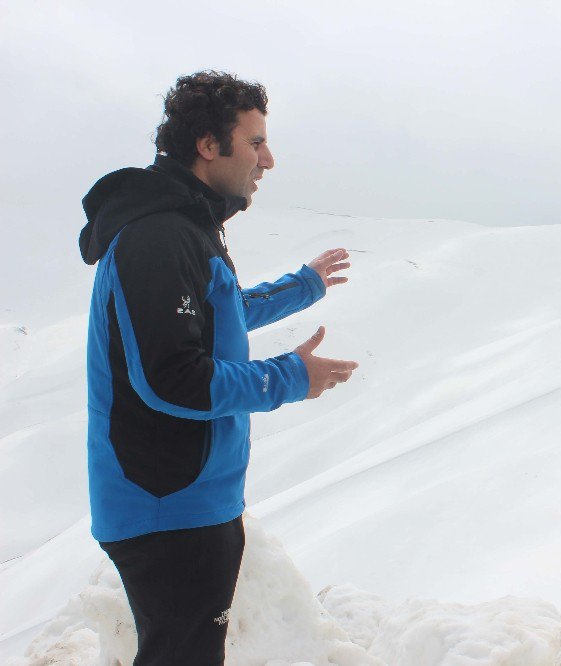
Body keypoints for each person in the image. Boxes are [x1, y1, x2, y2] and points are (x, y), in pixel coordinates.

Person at [79, 71, 358, 665]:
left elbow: (217, 311)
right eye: (255, 142)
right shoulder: (157, 235)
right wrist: (288, 378)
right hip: (165, 504)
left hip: (189, 498)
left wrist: (302, 287)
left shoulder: (185, 226)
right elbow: (171, 377)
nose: (269, 159)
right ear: (209, 145)